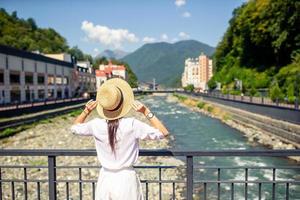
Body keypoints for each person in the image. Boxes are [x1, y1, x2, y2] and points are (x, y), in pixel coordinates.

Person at [70, 78, 169, 200]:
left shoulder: (96, 125)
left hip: (105, 179)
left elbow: (74, 128)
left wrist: (86, 111)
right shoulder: (132, 124)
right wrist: (146, 112)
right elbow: (163, 132)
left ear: (103, 107)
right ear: (123, 104)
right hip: (126, 180)